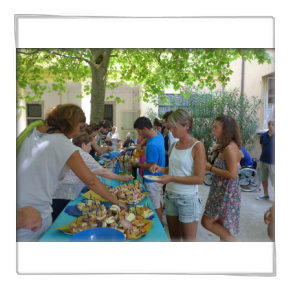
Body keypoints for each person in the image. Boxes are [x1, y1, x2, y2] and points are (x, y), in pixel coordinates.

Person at [16, 104, 127, 242]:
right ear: (70, 122)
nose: (79, 133)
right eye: (80, 127)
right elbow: (91, 180)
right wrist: (116, 201)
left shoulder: (33, 131)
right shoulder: (62, 143)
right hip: (34, 216)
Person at [149, 109, 206, 242]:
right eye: (170, 127)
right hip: (170, 197)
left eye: (174, 127)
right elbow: (173, 169)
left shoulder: (197, 146)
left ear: (186, 126)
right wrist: (161, 169)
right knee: (174, 239)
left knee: (188, 241)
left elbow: (199, 178)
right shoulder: (175, 145)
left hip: (188, 199)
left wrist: (172, 178)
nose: (171, 131)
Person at [52, 132, 132, 222]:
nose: (90, 149)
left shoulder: (71, 150)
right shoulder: (82, 154)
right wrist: (121, 179)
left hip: (55, 193)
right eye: (90, 146)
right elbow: (103, 172)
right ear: (83, 144)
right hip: (64, 195)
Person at [201, 115, 242, 242]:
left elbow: (232, 173)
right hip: (221, 190)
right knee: (221, 227)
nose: (213, 130)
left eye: (216, 127)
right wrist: (215, 150)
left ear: (225, 130)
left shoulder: (230, 148)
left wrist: (210, 169)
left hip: (225, 193)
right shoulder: (225, 145)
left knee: (207, 222)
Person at [130, 116, 165, 224]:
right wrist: (140, 144)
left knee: (155, 205)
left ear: (145, 129)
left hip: (152, 179)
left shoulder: (152, 145)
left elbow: (152, 165)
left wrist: (137, 164)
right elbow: (147, 137)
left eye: (140, 132)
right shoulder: (158, 135)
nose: (139, 135)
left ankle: (160, 226)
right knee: (157, 200)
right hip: (159, 177)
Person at [256, 119, 275, 200]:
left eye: (272, 124)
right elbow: (262, 147)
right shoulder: (263, 135)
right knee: (263, 178)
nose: (270, 126)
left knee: (274, 181)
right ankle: (265, 194)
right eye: (269, 124)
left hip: (273, 163)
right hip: (263, 160)